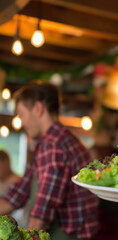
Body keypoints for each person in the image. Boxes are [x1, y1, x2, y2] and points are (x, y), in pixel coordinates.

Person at [0, 81, 99, 239]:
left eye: (22, 114)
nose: (22, 122)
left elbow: (40, 216)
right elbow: (18, 193)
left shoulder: (53, 146)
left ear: (38, 109)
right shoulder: (59, 140)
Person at [0, 150, 30, 228]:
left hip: (19, 228)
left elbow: (6, 207)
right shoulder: (2, 183)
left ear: (6, 163)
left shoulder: (16, 182)